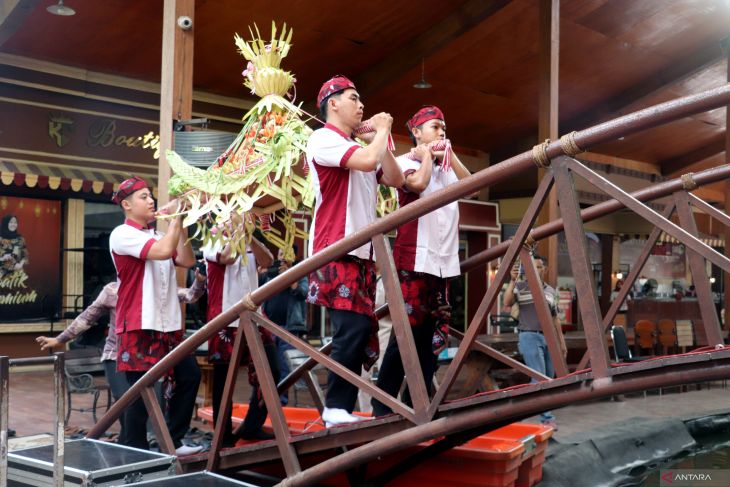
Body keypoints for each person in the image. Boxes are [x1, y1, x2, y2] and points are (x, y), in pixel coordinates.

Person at [305, 75, 404, 427]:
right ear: (332, 103)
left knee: (360, 328)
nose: (361, 106)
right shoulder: (322, 138)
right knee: (351, 327)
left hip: (361, 252)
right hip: (335, 246)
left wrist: (382, 138)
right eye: (353, 98)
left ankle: (340, 408)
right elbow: (365, 161)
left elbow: (395, 178)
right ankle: (335, 407)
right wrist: (380, 131)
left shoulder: (359, 146)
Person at [371, 106, 471, 416]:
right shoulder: (404, 162)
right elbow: (418, 184)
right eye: (435, 126)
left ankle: (419, 404)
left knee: (432, 335)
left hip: (444, 262)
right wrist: (427, 155)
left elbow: (473, 185)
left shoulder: (448, 166)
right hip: (414, 258)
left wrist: (450, 155)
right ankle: (382, 404)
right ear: (416, 132)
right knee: (407, 334)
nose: (442, 132)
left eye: (444, 127)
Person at [35, 271, 206, 444]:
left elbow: (190, 295)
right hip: (116, 356)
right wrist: (60, 339)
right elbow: (87, 317)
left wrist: (199, 281)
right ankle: (134, 449)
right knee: (130, 404)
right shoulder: (112, 290)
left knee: (186, 377)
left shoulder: (158, 289)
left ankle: (167, 441)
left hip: (145, 355)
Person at [108, 176, 202, 456]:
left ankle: (173, 440)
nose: (151, 201)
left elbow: (187, 260)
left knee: (189, 375)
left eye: (151, 196)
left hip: (168, 324)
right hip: (139, 323)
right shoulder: (122, 234)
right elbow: (163, 253)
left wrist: (180, 222)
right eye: (143, 197)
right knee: (141, 393)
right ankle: (133, 451)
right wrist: (175, 217)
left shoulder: (159, 236)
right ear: (126, 205)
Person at [203, 230, 278, 445]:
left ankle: (252, 426)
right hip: (225, 319)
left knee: (272, 370)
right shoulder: (212, 239)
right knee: (224, 381)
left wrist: (249, 235)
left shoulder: (249, 239)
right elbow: (227, 257)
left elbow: (268, 261)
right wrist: (237, 230)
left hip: (255, 317)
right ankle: (223, 437)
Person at [503, 254, 566, 428]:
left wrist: (562, 343)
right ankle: (547, 418)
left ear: (545, 270)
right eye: (532, 267)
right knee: (540, 379)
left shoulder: (551, 291)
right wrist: (513, 280)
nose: (536, 270)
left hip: (549, 338)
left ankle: (518, 407)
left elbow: (555, 319)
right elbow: (507, 301)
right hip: (529, 336)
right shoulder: (521, 287)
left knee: (548, 379)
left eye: (539, 267)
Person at [260, 245, 308, 405]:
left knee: (285, 367)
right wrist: (262, 274)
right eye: (280, 253)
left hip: (289, 327)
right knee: (267, 365)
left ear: (294, 257)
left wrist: (289, 277)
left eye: (286, 254)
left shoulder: (299, 272)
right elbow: (257, 290)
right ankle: (266, 400)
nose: (282, 257)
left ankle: (281, 402)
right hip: (268, 326)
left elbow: (303, 293)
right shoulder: (271, 272)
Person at [0, 214, 28, 279]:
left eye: (15, 222)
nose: (13, 224)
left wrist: (21, 264)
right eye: (11, 222)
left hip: (16, 274)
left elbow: (25, 255)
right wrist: (2, 258)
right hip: (2, 275)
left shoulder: (20, 239)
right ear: (6, 223)